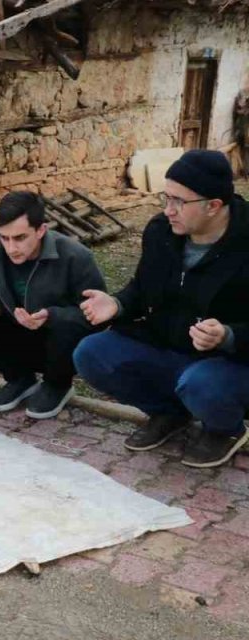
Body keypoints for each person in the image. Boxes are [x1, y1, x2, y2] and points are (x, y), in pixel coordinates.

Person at [75, 150, 249, 468]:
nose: (168, 211)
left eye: (179, 202)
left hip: (228, 364)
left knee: (200, 384)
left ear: (214, 206)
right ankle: (169, 413)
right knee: (92, 353)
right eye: (164, 198)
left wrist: (227, 335)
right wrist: (117, 303)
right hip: (168, 345)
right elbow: (142, 288)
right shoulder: (161, 231)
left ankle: (225, 429)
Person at [0, 191, 105, 419]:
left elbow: (98, 317)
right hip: (17, 338)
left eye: (20, 238)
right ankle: (19, 379)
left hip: (57, 345)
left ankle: (57, 385)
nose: (10, 248)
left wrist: (52, 316)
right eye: (3, 238)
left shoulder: (76, 257)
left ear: (41, 230)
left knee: (65, 327)